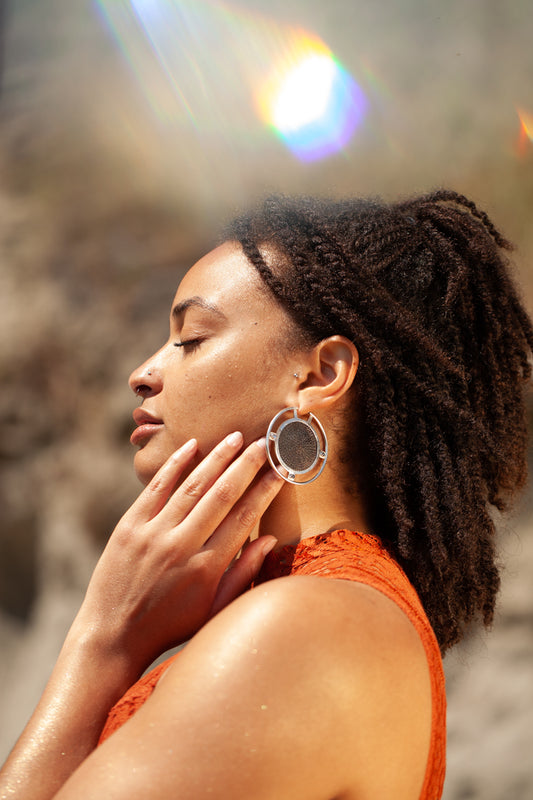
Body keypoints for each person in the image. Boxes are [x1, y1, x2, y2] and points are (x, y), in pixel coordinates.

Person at [1, 190, 531, 800]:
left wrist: (103, 641)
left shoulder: (306, 624)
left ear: (319, 375)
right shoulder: (334, 610)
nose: (143, 373)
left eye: (192, 338)